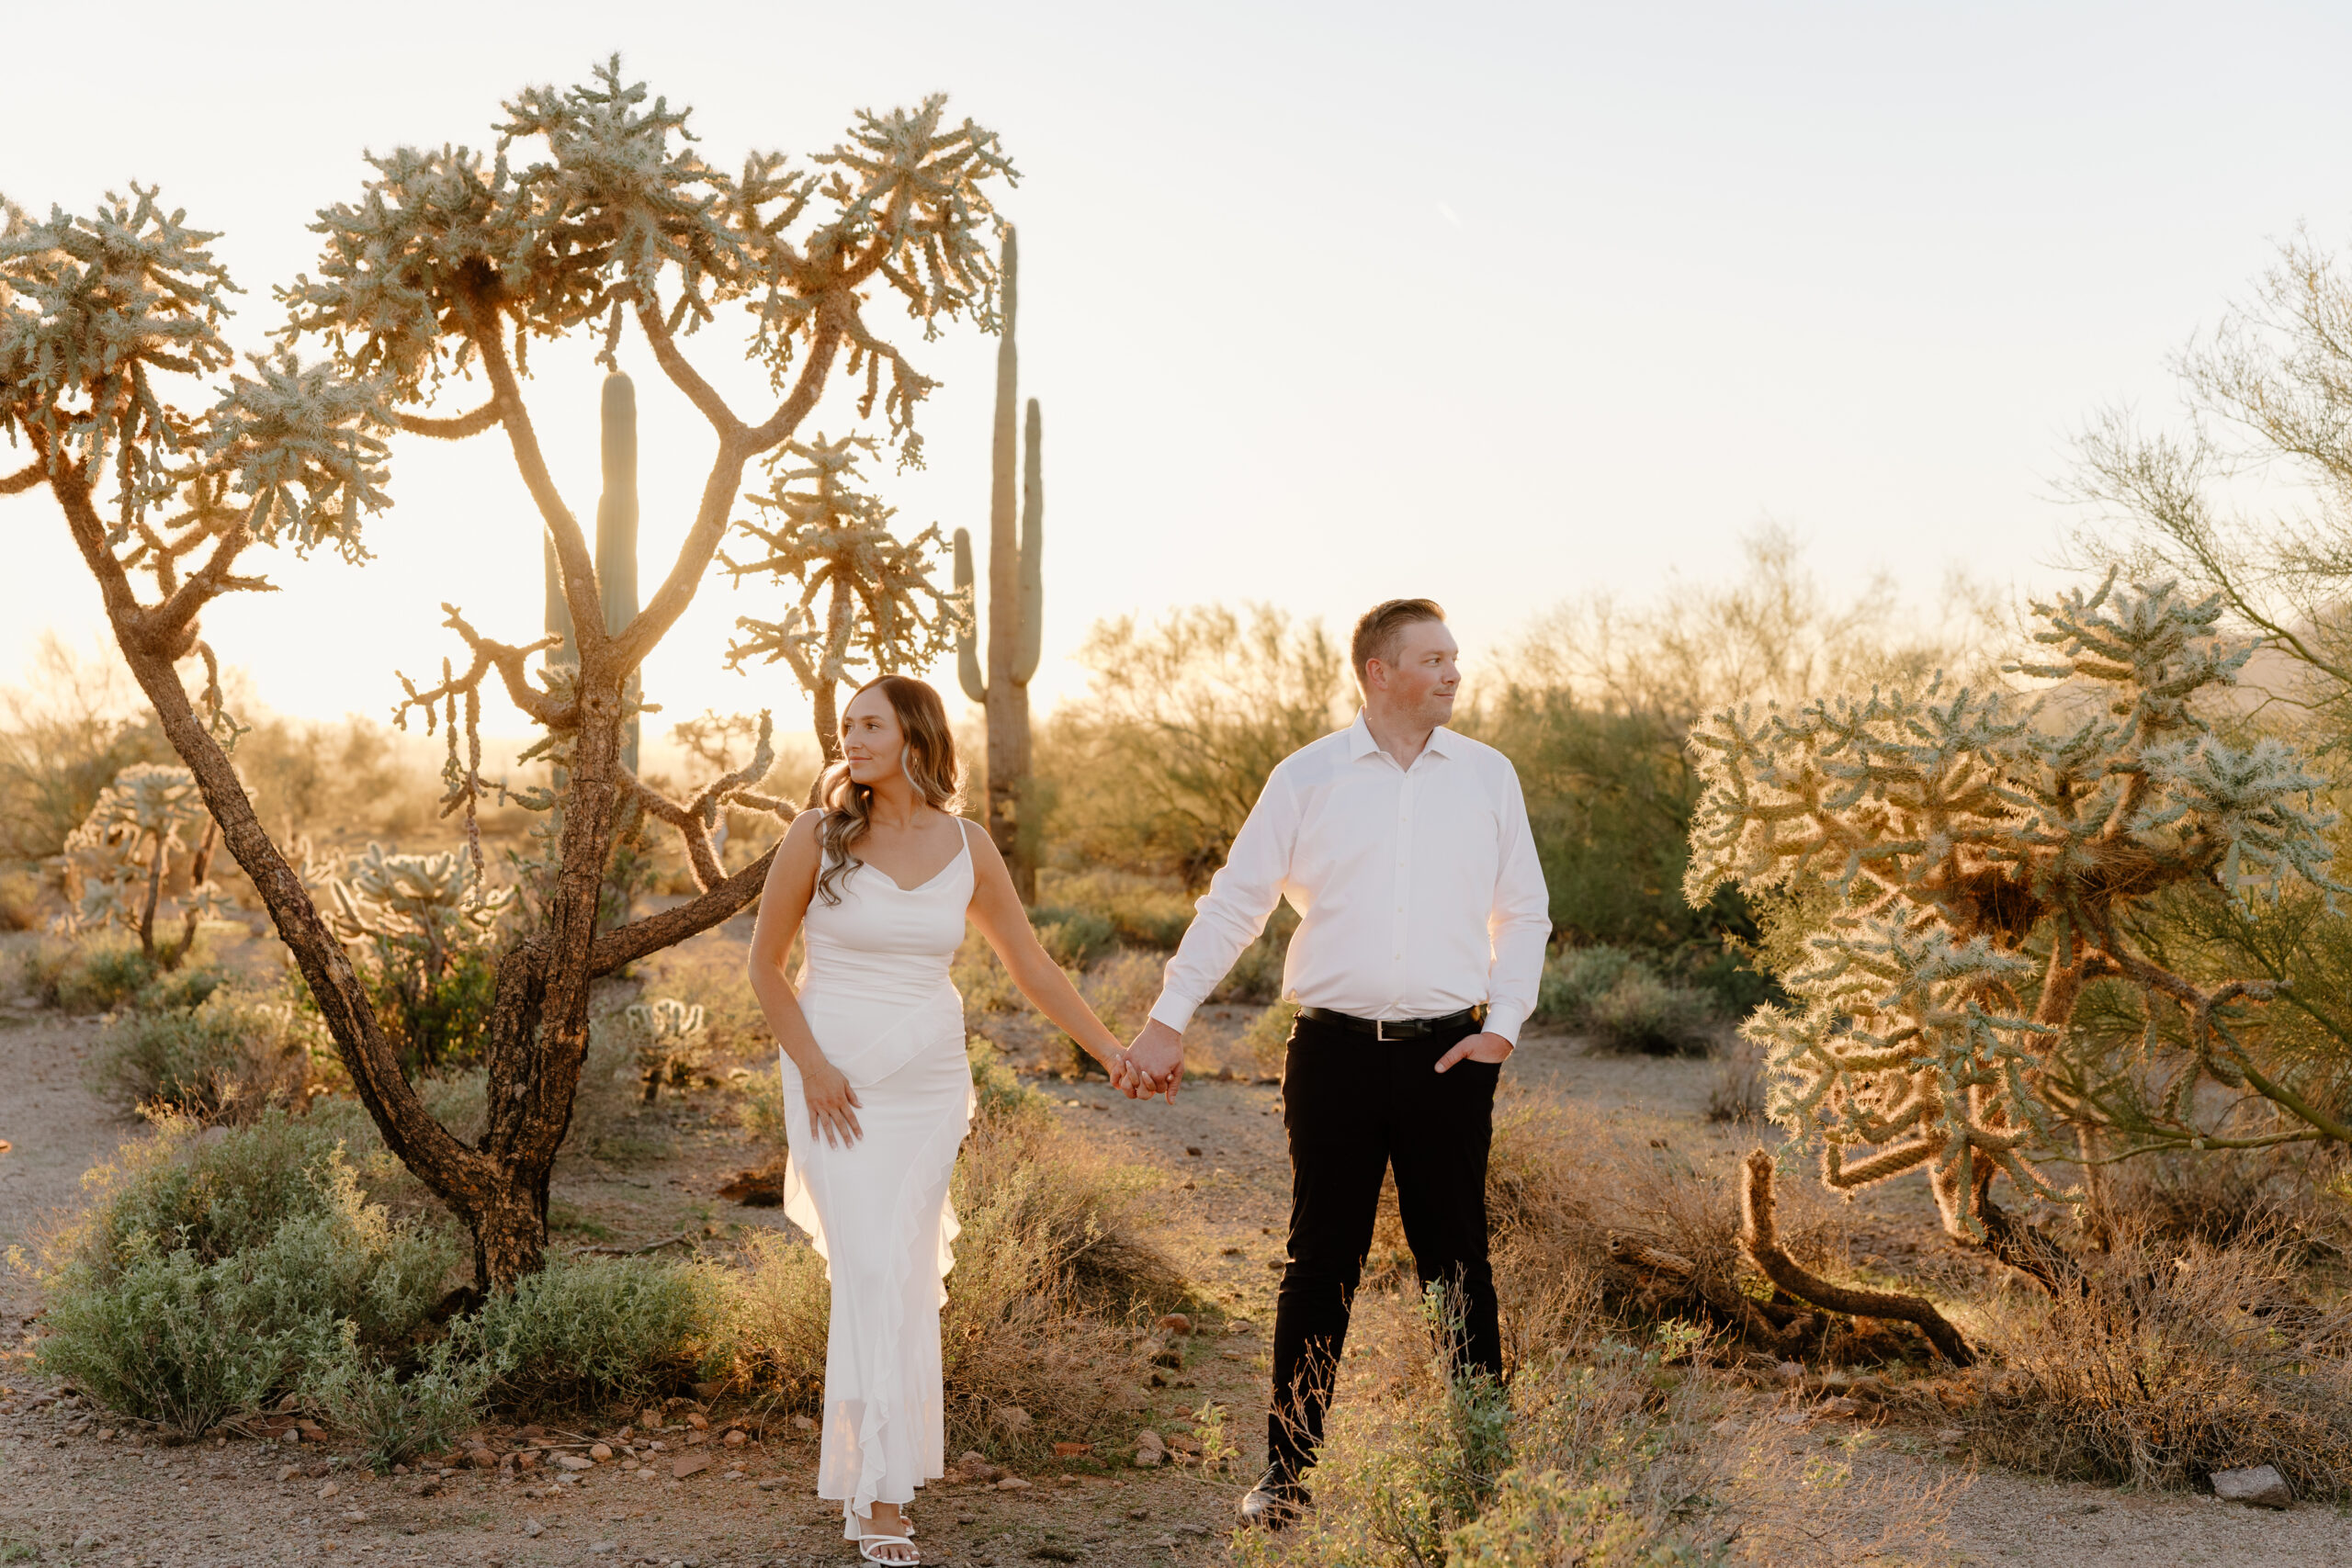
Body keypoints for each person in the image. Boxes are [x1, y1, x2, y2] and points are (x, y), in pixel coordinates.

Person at [1113, 598, 1550, 1529]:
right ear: (1378, 670)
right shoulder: (1306, 778)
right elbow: (1236, 904)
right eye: (1433, 658)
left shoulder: (1486, 777)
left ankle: (1483, 1468)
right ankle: (1284, 1474)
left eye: (1455, 658)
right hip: (1333, 1055)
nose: (1453, 673)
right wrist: (1167, 1017)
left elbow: (1525, 910)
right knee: (1320, 1263)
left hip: (1449, 1054)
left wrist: (1502, 1025)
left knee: (1457, 1263)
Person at [747, 674, 1138, 1565]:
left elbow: (1031, 966)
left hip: (926, 1081)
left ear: (917, 736)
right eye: (846, 726)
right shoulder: (817, 835)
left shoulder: (969, 847)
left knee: (904, 1269)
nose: (851, 738)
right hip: (833, 1080)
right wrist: (810, 1066)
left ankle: (879, 1478)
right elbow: (765, 968)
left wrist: (1108, 1050)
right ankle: (875, 1493)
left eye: (871, 724)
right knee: (871, 1267)